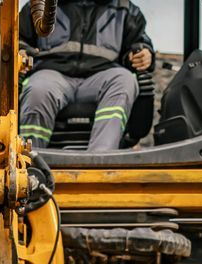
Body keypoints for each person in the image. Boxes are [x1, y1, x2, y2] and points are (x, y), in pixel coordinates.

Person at [17, 0, 154, 152]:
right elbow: (18, 39)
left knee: (124, 80)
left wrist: (144, 53)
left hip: (101, 76)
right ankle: (31, 157)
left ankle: (101, 157)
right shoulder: (39, 5)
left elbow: (139, 43)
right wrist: (21, 49)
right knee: (38, 88)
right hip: (52, 74)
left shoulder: (125, 9)